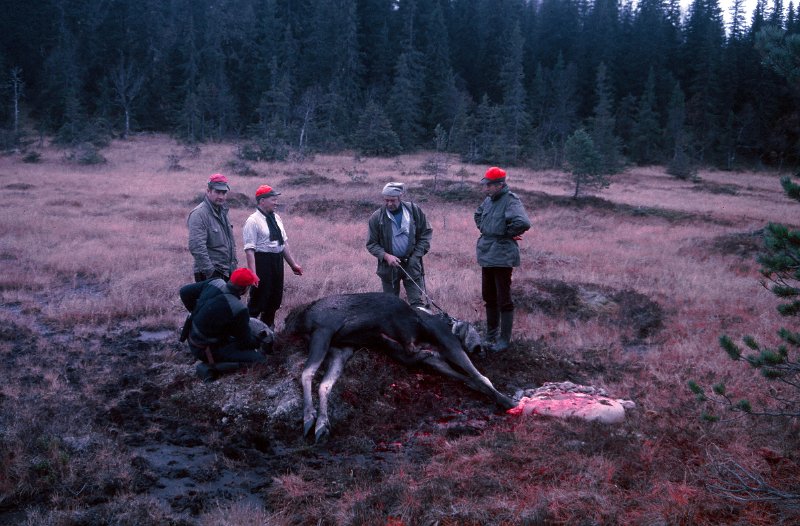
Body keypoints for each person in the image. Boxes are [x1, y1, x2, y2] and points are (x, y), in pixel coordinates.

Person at [474, 167, 531, 353]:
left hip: (503, 255)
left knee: (503, 298)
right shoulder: (489, 200)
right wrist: (485, 228)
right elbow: (477, 214)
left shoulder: (511, 200)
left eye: (489, 185)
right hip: (487, 254)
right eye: (485, 184)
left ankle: (504, 340)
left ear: (500, 185)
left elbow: (523, 222)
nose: (486, 188)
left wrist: (505, 233)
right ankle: (491, 335)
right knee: (488, 296)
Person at [179, 268, 267, 382]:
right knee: (259, 359)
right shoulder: (238, 308)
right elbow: (245, 343)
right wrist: (259, 341)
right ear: (245, 289)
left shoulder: (215, 282)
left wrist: (196, 312)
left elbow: (184, 292)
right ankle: (210, 367)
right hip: (206, 349)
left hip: (191, 336)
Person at [243, 184, 303, 329]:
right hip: (262, 261)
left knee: (274, 299)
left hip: (277, 262)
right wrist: (253, 274)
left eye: (276, 199)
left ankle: (267, 330)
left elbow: (283, 244)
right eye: (273, 200)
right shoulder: (252, 221)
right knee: (258, 299)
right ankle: (248, 330)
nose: (276, 203)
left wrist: (293, 264)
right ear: (262, 201)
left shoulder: (276, 218)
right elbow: (249, 250)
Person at [366, 182, 433, 309]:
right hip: (388, 268)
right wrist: (386, 256)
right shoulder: (377, 217)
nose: (389, 203)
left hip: (412, 266)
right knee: (390, 306)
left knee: (418, 304)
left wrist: (415, 257)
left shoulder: (414, 211)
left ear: (400, 196)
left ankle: (417, 328)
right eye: (386, 200)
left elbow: (426, 234)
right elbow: (371, 244)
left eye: (392, 200)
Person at [188, 173, 237, 282]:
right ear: (208, 191)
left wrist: (233, 268)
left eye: (224, 193)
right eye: (217, 192)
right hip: (210, 274)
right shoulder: (199, 214)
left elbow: (230, 243)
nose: (221, 196)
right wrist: (211, 272)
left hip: (227, 271)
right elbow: (196, 247)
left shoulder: (223, 211)